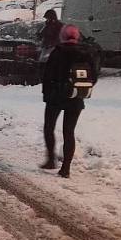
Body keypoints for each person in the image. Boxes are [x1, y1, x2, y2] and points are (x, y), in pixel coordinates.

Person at [40, 24, 97, 178]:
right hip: (76, 97)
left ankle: (51, 160)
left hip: (56, 98)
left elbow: (47, 76)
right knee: (69, 132)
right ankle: (66, 169)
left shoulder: (57, 53)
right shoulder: (85, 53)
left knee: (49, 127)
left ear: (62, 36)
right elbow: (93, 76)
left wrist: (47, 93)